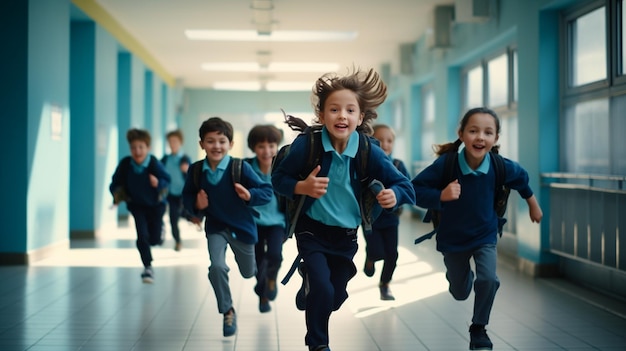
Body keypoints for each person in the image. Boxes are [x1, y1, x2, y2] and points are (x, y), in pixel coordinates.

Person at [272, 68, 415, 351]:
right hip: (311, 229)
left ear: (360, 117)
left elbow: (404, 185)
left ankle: (310, 286)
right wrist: (302, 187)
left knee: (334, 296)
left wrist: (393, 195)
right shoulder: (307, 145)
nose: (342, 116)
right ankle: (318, 345)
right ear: (322, 115)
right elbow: (278, 180)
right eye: (334, 109)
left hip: (346, 235)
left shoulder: (367, 150)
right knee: (323, 290)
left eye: (350, 110)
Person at [411, 107, 543, 351]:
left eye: (487, 132)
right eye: (473, 131)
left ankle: (479, 328)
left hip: (485, 235)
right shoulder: (446, 165)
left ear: (495, 139)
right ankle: (460, 279)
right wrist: (441, 194)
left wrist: (533, 204)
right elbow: (414, 190)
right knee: (460, 292)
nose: (480, 137)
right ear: (461, 134)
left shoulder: (499, 165)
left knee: (489, 279)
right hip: (453, 239)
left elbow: (521, 179)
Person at [182, 117, 273, 337]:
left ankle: (260, 279)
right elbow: (186, 197)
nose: (216, 146)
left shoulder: (239, 167)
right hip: (216, 227)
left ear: (230, 144)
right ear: (202, 144)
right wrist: (196, 205)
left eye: (222, 141)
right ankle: (227, 310)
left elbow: (267, 191)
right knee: (217, 267)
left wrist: (250, 194)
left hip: (242, 228)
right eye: (210, 141)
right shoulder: (196, 171)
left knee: (248, 271)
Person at [110, 128, 171, 284]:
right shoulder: (125, 164)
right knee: (142, 235)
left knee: (155, 239)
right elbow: (115, 183)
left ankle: (160, 230)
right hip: (137, 206)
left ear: (148, 148)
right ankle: (148, 267)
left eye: (141, 147)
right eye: (133, 148)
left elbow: (166, 180)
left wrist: (158, 183)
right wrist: (117, 196)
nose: (137, 151)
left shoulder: (153, 163)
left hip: (156, 206)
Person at [363, 124, 411, 301]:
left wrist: (396, 195)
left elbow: (408, 188)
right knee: (377, 251)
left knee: (392, 254)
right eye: (380, 140)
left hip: (391, 219)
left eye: (389, 140)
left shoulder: (398, 165)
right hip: (370, 219)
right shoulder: (365, 165)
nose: (385, 144)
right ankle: (370, 257)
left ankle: (385, 284)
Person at [246, 125, 286, 313]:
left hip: (277, 222)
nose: (267, 151)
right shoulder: (245, 168)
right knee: (257, 261)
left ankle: (270, 279)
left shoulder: (282, 169)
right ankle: (263, 296)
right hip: (252, 222)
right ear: (253, 147)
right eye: (261, 146)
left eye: (271, 145)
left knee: (275, 255)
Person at [161, 129, 191, 251]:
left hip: (184, 194)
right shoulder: (165, 159)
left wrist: (187, 170)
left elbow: (193, 176)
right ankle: (178, 241)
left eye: (175, 141)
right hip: (171, 194)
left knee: (186, 214)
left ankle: (191, 217)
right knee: (173, 219)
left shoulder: (185, 158)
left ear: (180, 142)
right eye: (170, 141)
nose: (172, 144)